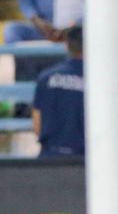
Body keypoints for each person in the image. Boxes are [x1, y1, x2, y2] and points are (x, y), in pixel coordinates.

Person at [32, 25, 84, 157]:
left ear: (66, 45)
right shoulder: (100, 82)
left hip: (49, 157)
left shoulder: (46, 77)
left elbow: (37, 125)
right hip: (84, 159)